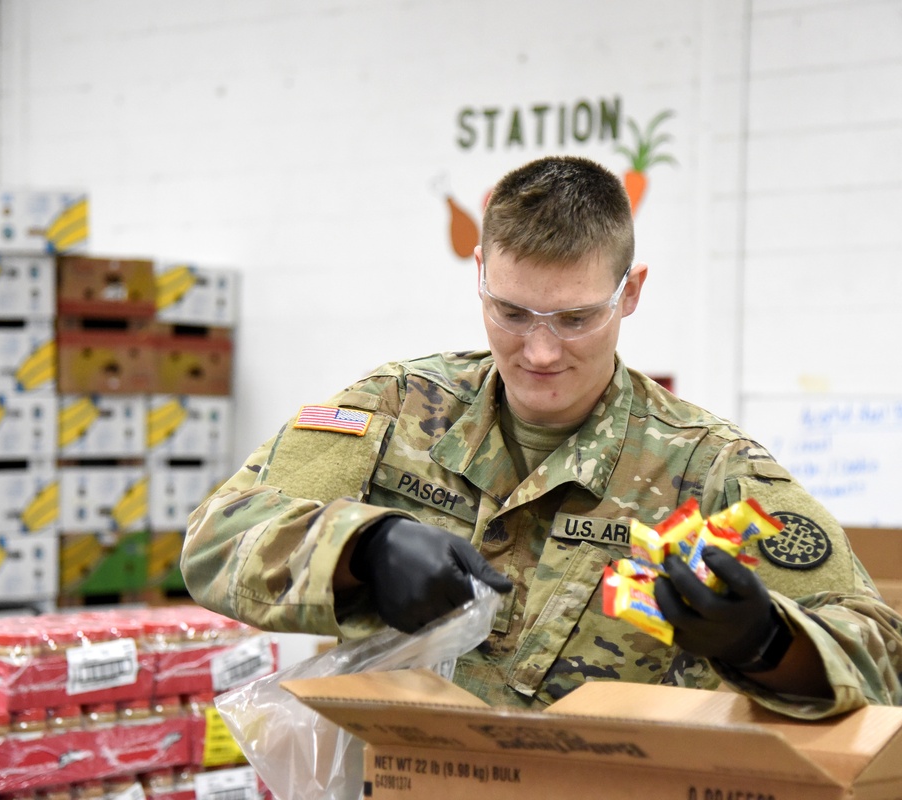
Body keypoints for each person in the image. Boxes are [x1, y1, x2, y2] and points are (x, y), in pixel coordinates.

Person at [181, 155, 902, 718]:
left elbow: (881, 655)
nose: (542, 351)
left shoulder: (710, 471)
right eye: (512, 313)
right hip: (404, 777)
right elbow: (215, 540)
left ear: (631, 292)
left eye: (577, 318)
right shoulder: (398, 407)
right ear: (481, 277)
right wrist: (361, 549)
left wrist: (767, 642)